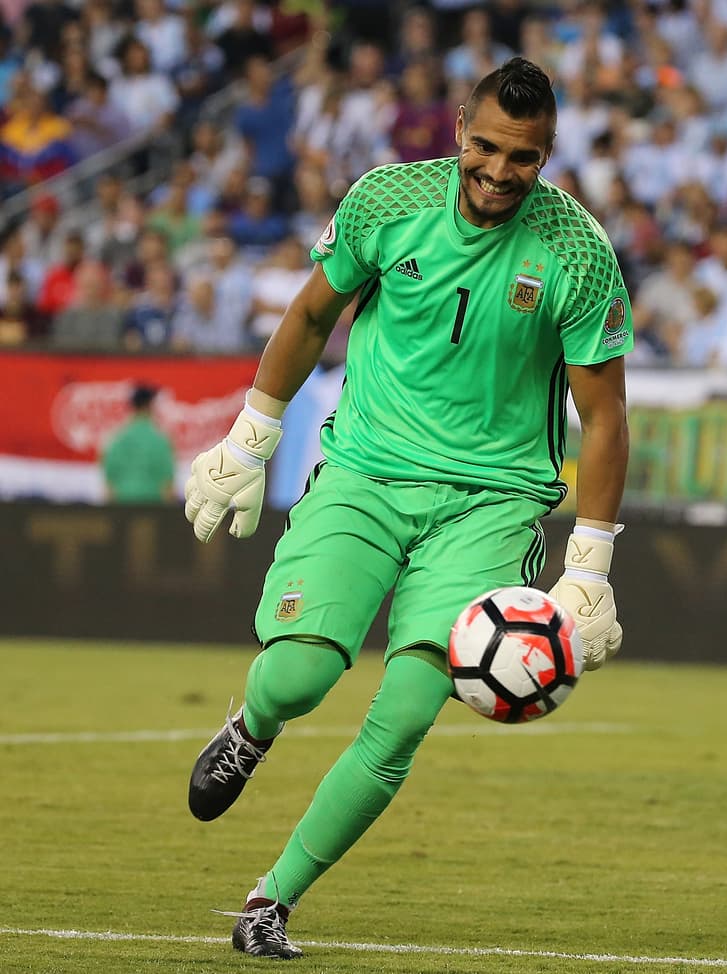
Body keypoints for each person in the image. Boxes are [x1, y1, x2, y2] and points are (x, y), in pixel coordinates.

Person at [182, 58, 631, 959]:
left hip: (492, 505)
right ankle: (253, 728)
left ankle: (272, 900)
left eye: (524, 157)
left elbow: (606, 413)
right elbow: (311, 316)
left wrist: (590, 564)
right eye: (486, 147)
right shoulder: (386, 201)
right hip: (365, 475)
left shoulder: (578, 252)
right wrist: (251, 437)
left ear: (547, 154)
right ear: (460, 127)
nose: (499, 172)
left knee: (408, 712)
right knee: (298, 677)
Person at [101, 384, 175, 503]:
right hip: (153, 507)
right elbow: (168, 485)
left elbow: (109, 484)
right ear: (150, 405)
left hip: (121, 506)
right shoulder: (160, 440)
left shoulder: (116, 439)